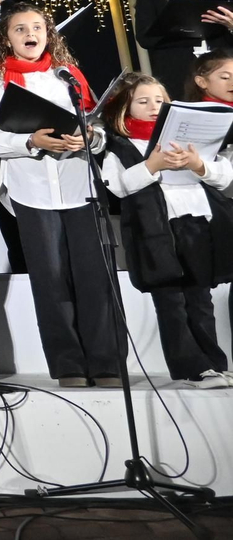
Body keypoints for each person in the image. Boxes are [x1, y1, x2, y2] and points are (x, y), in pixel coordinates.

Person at [0, 3, 121, 387]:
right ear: (7, 39)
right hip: (32, 191)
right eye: (20, 28)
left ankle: (106, 362)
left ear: (47, 33)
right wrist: (30, 140)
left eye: (36, 27)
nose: (30, 33)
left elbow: (99, 127)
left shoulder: (68, 78)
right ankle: (69, 364)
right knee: (51, 279)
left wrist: (90, 137)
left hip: (79, 187)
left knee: (94, 277)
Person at [100, 71, 233, 387]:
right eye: (143, 101)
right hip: (156, 231)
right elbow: (117, 186)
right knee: (171, 302)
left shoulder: (188, 142)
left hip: (197, 222)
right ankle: (190, 367)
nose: (153, 106)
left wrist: (197, 164)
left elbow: (223, 177)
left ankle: (213, 362)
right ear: (125, 108)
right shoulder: (121, 145)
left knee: (201, 300)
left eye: (160, 100)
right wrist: (152, 166)